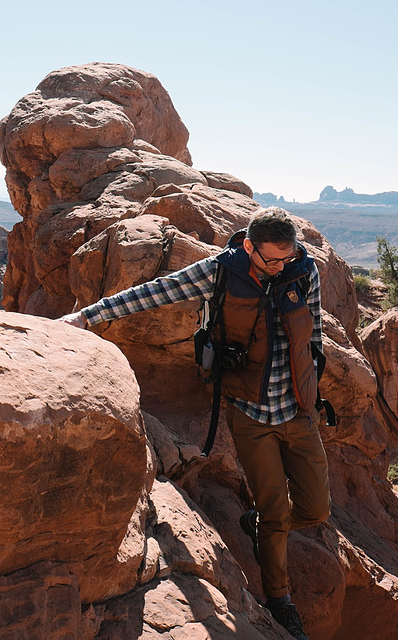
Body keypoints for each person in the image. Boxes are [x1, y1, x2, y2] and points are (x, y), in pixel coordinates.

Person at [59, 207, 329, 640]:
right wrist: (88, 315)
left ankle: (260, 525)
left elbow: (312, 330)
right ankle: (281, 601)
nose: (280, 267)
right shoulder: (220, 272)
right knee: (276, 509)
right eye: (271, 260)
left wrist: (312, 386)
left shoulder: (303, 270)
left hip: (299, 412)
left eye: (287, 258)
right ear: (249, 248)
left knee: (317, 508)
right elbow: (156, 292)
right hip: (253, 417)